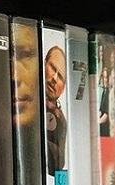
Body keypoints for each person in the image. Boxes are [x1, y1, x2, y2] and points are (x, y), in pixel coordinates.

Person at [44, 45, 67, 174]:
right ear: (44, 64)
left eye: (61, 77)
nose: (54, 78)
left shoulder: (61, 121)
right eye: (53, 68)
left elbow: (58, 164)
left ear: (63, 88)